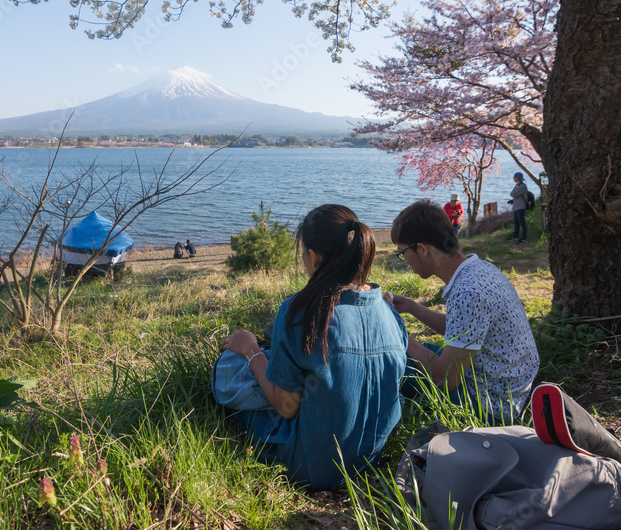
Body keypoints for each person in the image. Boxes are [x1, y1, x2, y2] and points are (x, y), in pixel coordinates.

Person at [222, 204, 408, 490]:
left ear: (314, 256)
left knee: (229, 367)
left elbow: (286, 407)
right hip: (370, 459)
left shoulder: (300, 312)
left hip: (311, 468)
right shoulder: (390, 313)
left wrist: (250, 351)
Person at [387, 200, 539, 424]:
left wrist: (397, 333)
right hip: (511, 385)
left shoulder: (469, 292)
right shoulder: (480, 269)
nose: (405, 261)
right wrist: (412, 307)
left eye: (402, 253)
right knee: (409, 354)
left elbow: (445, 378)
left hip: (493, 404)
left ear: (421, 249)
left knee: (389, 364)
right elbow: (464, 329)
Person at [510, 172, 528, 243]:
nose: (513, 178)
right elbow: (512, 193)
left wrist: (514, 193)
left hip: (521, 207)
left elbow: (514, 194)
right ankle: (515, 235)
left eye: (515, 177)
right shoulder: (517, 186)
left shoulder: (522, 186)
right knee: (516, 222)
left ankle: (523, 237)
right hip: (516, 207)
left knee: (522, 222)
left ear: (518, 178)